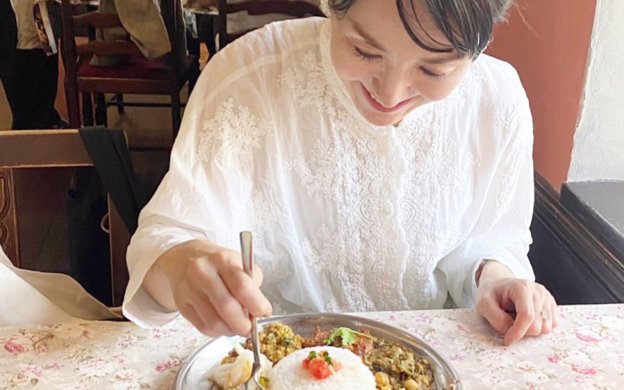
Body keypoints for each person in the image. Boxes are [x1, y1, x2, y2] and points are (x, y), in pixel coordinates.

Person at [122, 0, 558, 346]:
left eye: (433, 69)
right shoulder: (248, 76)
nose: (389, 94)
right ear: (331, 7)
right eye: (364, 50)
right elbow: (167, 239)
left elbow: (492, 237)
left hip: (424, 362)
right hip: (273, 356)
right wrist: (181, 267)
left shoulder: (497, 101)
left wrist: (497, 279)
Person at [0, 0, 66, 130]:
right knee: (15, 69)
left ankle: (45, 117)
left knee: (46, 61)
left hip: (40, 15)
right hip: (14, 20)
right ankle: (30, 123)